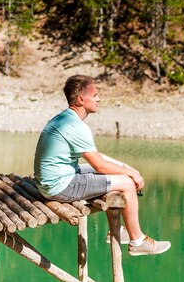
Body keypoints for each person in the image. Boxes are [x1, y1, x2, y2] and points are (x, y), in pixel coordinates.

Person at [33, 74, 170, 256]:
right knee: (126, 183)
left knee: (124, 176)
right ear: (81, 99)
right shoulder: (76, 126)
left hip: (56, 179)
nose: (99, 98)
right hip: (60, 187)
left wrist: (127, 168)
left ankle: (121, 231)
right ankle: (137, 241)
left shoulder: (66, 119)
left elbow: (95, 155)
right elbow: (100, 166)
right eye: (95, 94)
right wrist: (130, 176)